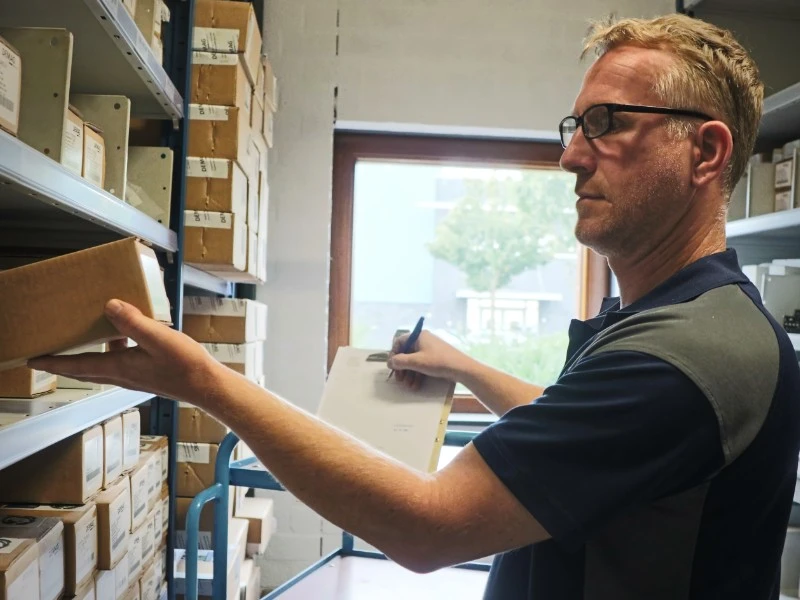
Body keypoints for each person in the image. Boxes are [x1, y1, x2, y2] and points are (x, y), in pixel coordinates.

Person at [31, 13, 800, 600]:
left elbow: (429, 525)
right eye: (576, 126)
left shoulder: (687, 357)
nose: (570, 155)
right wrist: (462, 367)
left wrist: (204, 382)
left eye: (609, 123)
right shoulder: (680, 322)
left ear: (705, 152)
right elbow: (588, 428)